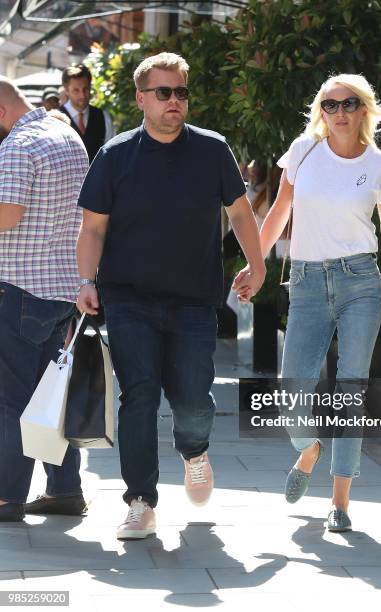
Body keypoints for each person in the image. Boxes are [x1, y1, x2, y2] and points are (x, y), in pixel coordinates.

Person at [76, 51, 265, 540]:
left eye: (181, 92)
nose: (174, 101)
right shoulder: (115, 155)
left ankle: (194, 450)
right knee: (138, 398)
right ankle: (140, 500)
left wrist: (258, 262)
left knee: (194, 402)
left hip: (194, 300)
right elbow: (93, 228)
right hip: (129, 297)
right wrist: (85, 281)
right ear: (141, 99)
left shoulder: (212, 149)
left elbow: (241, 213)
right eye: (164, 93)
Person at [242, 73, 381, 532]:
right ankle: (309, 448)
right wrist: (257, 264)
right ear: (321, 111)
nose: (339, 112)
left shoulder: (380, 164)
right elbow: (280, 211)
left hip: (360, 281)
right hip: (305, 282)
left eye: (348, 104)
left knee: (350, 391)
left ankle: (339, 503)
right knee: (290, 391)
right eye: (330, 104)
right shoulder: (303, 151)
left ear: (364, 110)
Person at [0, 77, 89, 522]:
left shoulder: (18, 146)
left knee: (10, 396)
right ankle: (64, 489)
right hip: (63, 288)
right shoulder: (66, 134)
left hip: (17, 287)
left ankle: (6, 495)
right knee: (51, 393)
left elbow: (8, 214)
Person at [60, 64, 114, 162]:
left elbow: (112, 154)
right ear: (66, 91)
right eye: (76, 90)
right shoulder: (55, 119)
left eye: (86, 89)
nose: (83, 95)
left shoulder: (103, 117)